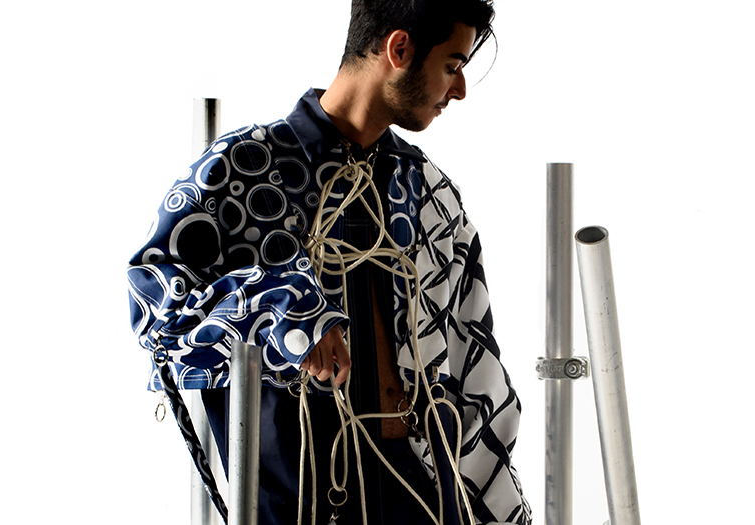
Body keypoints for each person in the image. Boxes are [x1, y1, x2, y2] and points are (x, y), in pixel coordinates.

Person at [126, 1, 530, 523]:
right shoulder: (244, 171)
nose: (460, 89)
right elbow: (156, 314)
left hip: (426, 501)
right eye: (452, 66)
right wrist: (287, 307)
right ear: (399, 49)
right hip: (301, 501)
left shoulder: (429, 192)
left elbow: (477, 368)